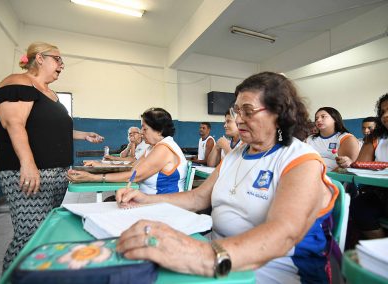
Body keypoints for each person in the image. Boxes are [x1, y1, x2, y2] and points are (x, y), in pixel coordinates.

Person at [115, 72, 338, 284]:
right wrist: (145, 198)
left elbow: (283, 234)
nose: (238, 119)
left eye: (248, 111)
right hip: (222, 252)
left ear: (278, 114)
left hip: (274, 270)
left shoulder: (301, 159)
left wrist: (200, 254)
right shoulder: (238, 154)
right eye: (236, 111)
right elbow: (198, 198)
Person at [0, 42, 104, 271]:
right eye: (58, 59)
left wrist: (83, 135)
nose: (62, 65)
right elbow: (14, 124)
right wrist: (28, 164)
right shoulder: (18, 82)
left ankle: (37, 275)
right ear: (39, 58)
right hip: (29, 173)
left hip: (56, 175)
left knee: (45, 231)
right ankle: (14, 277)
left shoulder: (50, 95)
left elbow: (49, 129)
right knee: (29, 235)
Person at [68, 108, 187, 195]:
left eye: (144, 128)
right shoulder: (153, 147)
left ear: (159, 131)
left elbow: (135, 176)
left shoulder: (164, 148)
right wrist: (101, 165)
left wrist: (92, 177)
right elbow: (132, 166)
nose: (141, 132)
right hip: (148, 202)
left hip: (163, 207)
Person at [350, 94, 388, 239]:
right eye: (382, 112)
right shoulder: (376, 138)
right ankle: (381, 252)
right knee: (359, 206)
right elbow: (360, 166)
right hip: (381, 193)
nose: (385, 115)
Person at [306, 107, 359, 171]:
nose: (318, 120)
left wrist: (323, 177)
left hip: (334, 178)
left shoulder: (346, 139)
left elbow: (347, 167)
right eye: (316, 118)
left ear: (335, 119)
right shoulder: (310, 139)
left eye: (323, 116)